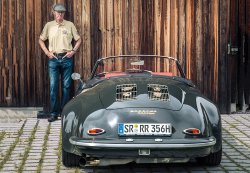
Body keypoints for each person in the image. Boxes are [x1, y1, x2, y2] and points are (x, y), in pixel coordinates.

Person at [39, 3, 82, 122]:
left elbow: (78, 40)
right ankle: (53, 113)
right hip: (53, 59)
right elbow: (41, 40)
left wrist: (73, 51)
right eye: (58, 12)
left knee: (66, 87)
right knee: (53, 86)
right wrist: (47, 52)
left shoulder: (70, 25)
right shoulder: (49, 25)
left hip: (66, 59)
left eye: (62, 12)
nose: (60, 14)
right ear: (54, 13)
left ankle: (64, 113)